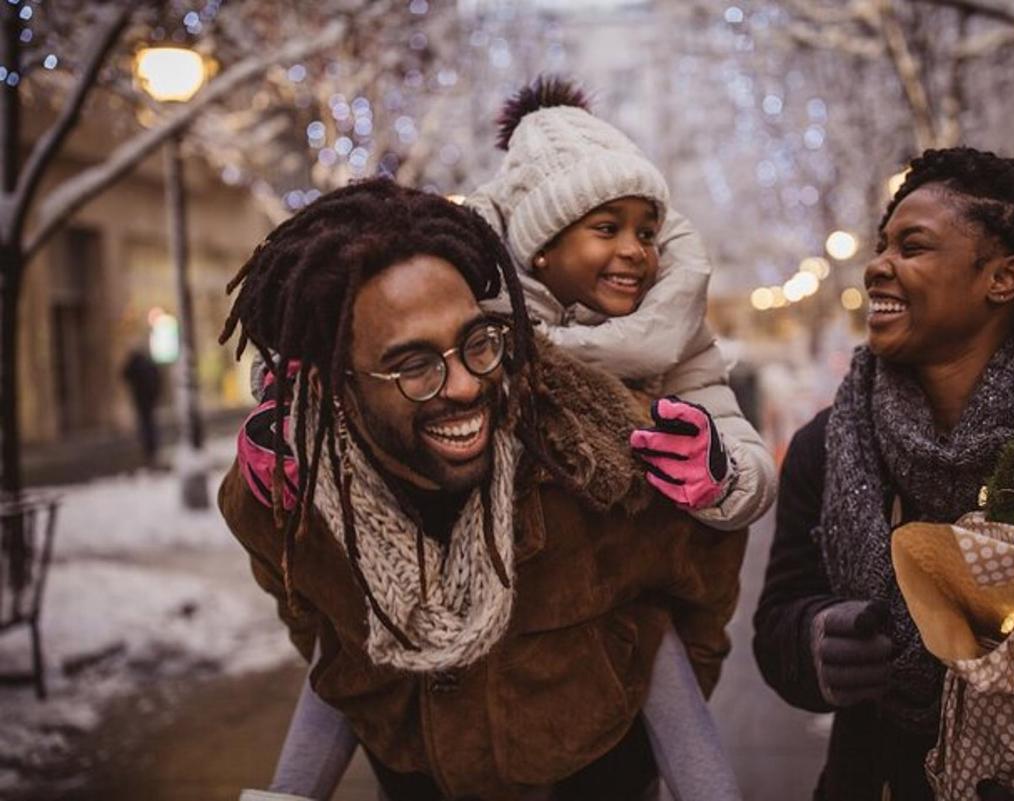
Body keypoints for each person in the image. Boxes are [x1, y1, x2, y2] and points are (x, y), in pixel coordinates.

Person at [219, 180, 746, 801]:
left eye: (476, 343)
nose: (467, 385)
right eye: (413, 364)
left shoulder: (595, 461)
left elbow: (700, 600)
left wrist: (625, 736)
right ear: (338, 381)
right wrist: (392, 717)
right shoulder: (284, 493)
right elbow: (323, 633)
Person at [753, 147, 1014, 801]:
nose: (877, 266)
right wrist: (817, 639)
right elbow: (777, 620)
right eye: (882, 244)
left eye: (912, 247)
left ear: (1002, 278)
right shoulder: (830, 445)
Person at [468, 76, 776, 531]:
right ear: (542, 247)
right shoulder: (477, 333)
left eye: (647, 234)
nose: (636, 251)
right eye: (608, 229)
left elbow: (749, 456)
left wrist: (724, 474)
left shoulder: (677, 333)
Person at [121, 346, 162, 468]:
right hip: (149, 400)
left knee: (145, 424)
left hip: (140, 400)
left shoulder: (135, 365)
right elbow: (157, 378)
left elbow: (124, 374)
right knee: (150, 424)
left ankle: (148, 449)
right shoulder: (148, 364)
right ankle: (151, 448)